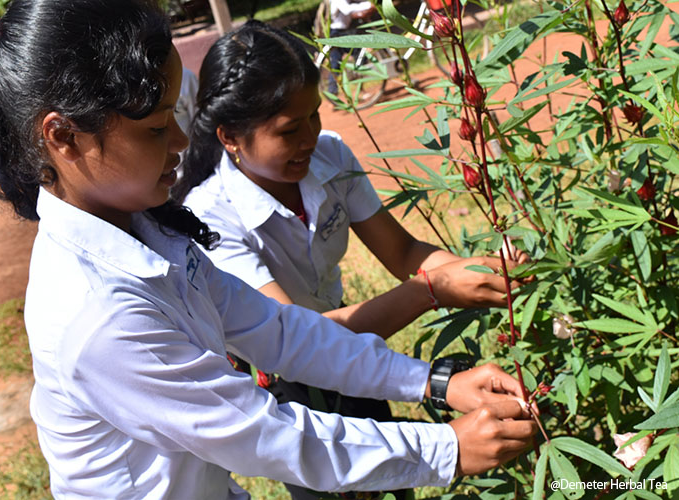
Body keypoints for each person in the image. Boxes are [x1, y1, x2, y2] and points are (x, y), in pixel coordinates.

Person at [0, 2, 536, 499]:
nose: (178, 141)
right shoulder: (99, 318)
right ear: (64, 136)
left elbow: (280, 331)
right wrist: (445, 449)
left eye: (176, 114)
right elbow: (267, 435)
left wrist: (431, 381)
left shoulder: (149, 231)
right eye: (154, 129)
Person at [177, 21, 532, 498]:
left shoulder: (330, 156)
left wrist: (476, 268)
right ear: (230, 138)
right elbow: (296, 340)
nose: (309, 138)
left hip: (360, 361)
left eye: (314, 117)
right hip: (286, 387)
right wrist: (431, 290)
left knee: (393, 485)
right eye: (289, 129)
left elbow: (404, 252)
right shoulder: (208, 216)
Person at [326, 0, 377, 95]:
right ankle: (357, 80)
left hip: (339, 32)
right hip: (336, 33)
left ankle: (333, 92)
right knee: (358, 52)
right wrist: (369, 4)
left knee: (335, 62)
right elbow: (347, 10)